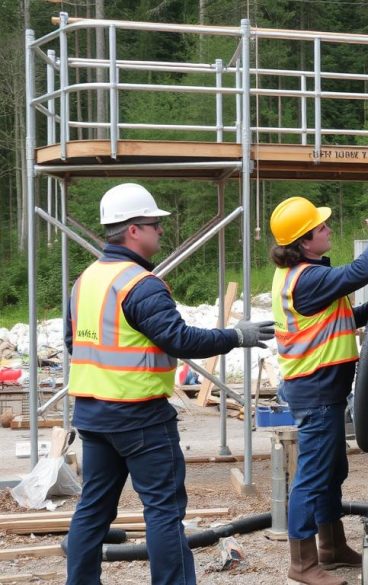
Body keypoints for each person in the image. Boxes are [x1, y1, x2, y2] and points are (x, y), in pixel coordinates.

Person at [64, 183, 274, 585]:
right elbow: (179, 339)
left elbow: (75, 344)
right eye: (154, 223)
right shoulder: (140, 285)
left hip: (92, 415)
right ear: (132, 230)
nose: (161, 229)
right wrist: (237, 335)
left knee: (92, 509)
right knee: (162, 510)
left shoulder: (86, 280)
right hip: (139, 415)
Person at [270, 195, 368, 585]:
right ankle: (303, 565)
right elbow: (362, 271)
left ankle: (330, 548)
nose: (328, 229)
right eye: (321, 226)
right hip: (315, 390)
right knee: (312, 476)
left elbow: (340, 317)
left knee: (330, 470)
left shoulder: (305, 274)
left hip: (322, 388)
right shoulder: (307, 279)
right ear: (304, 241)